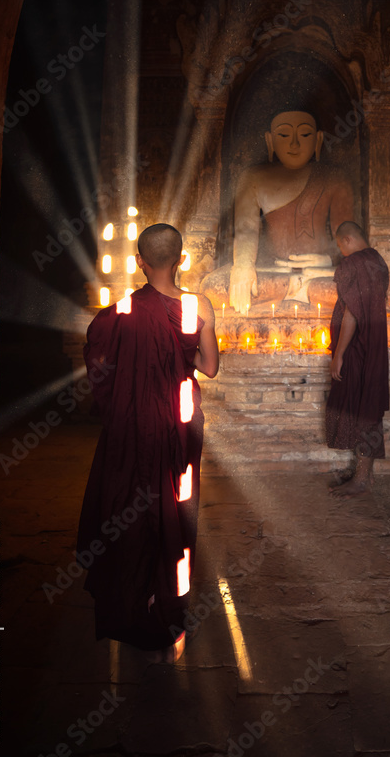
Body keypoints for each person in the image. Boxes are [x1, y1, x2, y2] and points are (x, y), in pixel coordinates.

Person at [77, 223, 219, 661]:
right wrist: (181, 355)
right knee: (175, 509)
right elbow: (209, 367)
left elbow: (99, 359)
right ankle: (172, 613)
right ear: (181, 260)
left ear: (140, 262)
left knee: (132, 506)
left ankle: (135, 604)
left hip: (136, 424)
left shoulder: (120, 311)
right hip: (180, 425)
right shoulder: (197, 305)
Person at [201, 110, 355, 312]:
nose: (294, 144)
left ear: (318, 140)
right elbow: (246, 228)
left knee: (357, 288)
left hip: (320, 274)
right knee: (212, 289)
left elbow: (348, 240)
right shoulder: (253, 178)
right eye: (284, 135)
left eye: (305, 135)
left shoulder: (334, 178)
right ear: (270, 141)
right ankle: (300, 291)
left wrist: (328, 261)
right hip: (273, 270)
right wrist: (243, 266)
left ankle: (294, 290)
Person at [325, 222, 390, 497]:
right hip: (374, 345)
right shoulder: (378, 261)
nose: (342, 253)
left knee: (360, 407)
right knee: (368, 403)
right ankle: (364, 474)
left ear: (348, 239)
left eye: (341, 246)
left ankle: (362, 479)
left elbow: (352, 312)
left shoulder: (353, 264)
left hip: (357, 347)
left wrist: (338, 354)